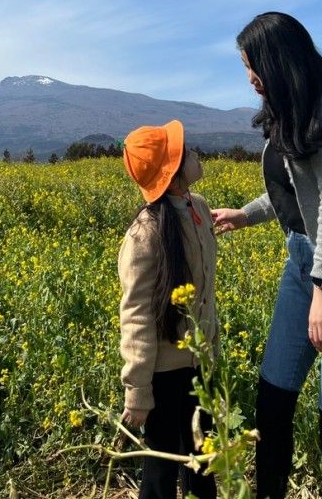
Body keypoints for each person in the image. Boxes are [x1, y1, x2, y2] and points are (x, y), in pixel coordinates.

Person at [212, 13, 322, 499]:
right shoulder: (285, 108)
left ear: (276, 59)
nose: (249, 77)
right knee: (273, 399)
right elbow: (295, 191)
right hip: (304, 266)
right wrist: (246, 214)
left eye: (252, 64)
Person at [119, 120, 218, 499]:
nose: (195, 154)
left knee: (203, 462)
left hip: (199, 365)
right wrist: (138, 391)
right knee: (161, 474)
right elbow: (136, 315)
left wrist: (213, 351)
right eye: (186, 152)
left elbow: (206, 293)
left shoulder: (200, 208)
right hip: (162, 374)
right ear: (173, 175)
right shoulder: (144, 234)